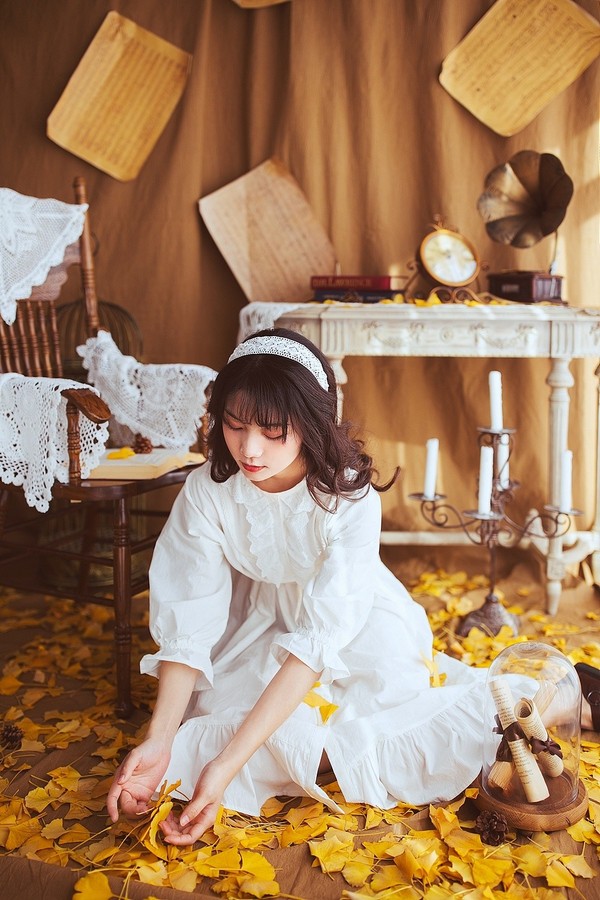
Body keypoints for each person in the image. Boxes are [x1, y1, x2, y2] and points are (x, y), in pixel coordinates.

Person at [107, 327, 596, 846]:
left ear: (311, 423)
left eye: (273, 431)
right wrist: (158, 740)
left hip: (353, 623)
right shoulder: (207, 491)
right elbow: (189, 621)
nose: (250, 448)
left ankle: (557, 701)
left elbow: (318, 642)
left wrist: (226, 767)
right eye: (234, 424)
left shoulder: (348, 497)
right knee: (214, 728)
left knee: (383, 723)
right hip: (258, 620)